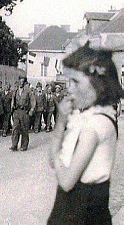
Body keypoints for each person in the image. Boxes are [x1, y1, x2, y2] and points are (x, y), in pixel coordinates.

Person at [47, 42, 123, 224]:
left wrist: (57, 155)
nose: (70, 88)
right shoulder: (92, 117)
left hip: (81, 213)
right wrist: (61, 123)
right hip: (78, 211)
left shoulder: (94, 125)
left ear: (98, 85)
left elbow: (66, 181)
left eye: (76, 82)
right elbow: (54, 160)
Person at [10, 76, 35, 151]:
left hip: (24, 112)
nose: (21, 83)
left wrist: (32, 110)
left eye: (22, 82)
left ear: (24, 83)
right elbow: (12, 100)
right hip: (16, 111)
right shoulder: (15, 91)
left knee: (24, 129)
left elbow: (33, 100)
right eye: (20, 81)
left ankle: (24, 145)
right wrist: (12, 108)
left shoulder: (28, 91)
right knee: (15, 128)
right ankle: (14, 145)